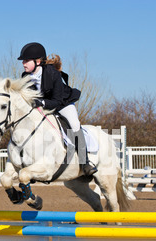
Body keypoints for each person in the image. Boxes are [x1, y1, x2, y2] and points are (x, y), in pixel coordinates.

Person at [18, 42, 97, 176]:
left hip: (62, 104)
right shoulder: (25, 77)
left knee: (74, 124)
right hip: (42, 107)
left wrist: (41, 102)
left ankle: (85, 163)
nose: (23, 63)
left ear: (37, 61)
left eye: (26, 60)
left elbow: (57, 101)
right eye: (23, 61)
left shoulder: (53, 74)